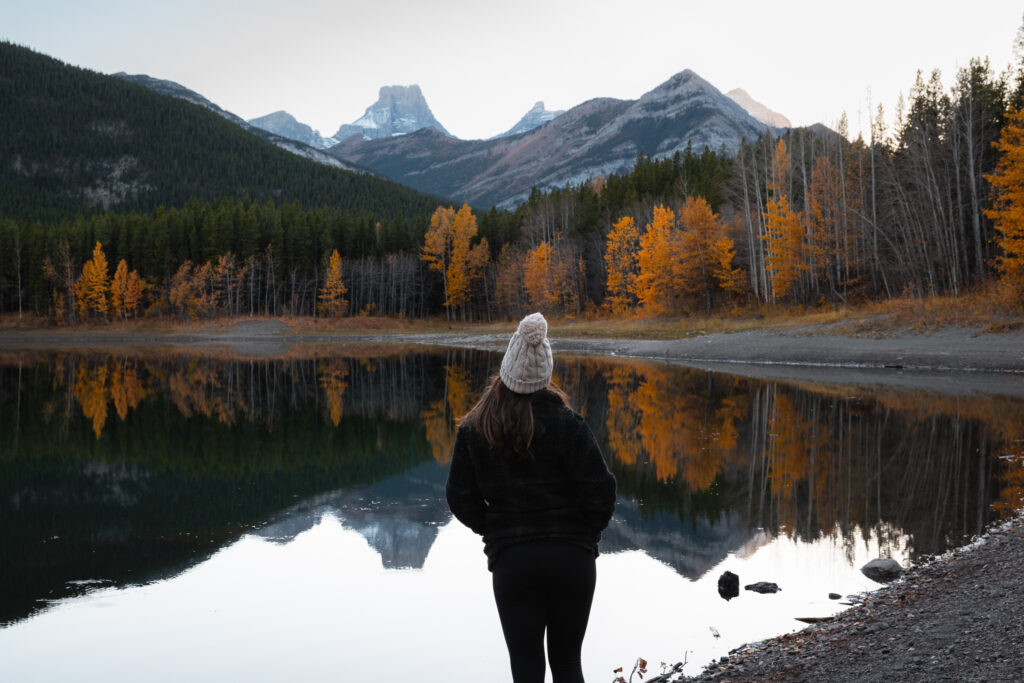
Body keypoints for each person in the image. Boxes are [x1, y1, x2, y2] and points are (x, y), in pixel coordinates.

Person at [446, 312, 617, 683]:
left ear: (507, 366)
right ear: (547, 372)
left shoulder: (475, 429)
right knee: (568, 664)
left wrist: (496, 530)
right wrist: (583, 535)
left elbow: (459, 498)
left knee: (526, 671)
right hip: (571, 558)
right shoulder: (570, 425)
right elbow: (602, 494)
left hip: (513, 562)